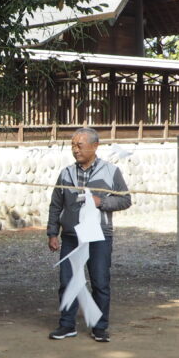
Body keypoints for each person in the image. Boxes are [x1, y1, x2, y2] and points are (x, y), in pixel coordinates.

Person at [47, 127, 132, 342]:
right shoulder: (65, 173)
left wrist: (100, 201)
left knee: (100, 281)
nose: (75, 150)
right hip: (70, 235)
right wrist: (52, 233)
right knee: (67, 281)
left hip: (99, 235)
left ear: (95, 146)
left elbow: (125, 200)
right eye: (73, 145)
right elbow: (55, 206)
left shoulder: (111, 171)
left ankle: (99, 327)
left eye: (80, 145)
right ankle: (67, 325)